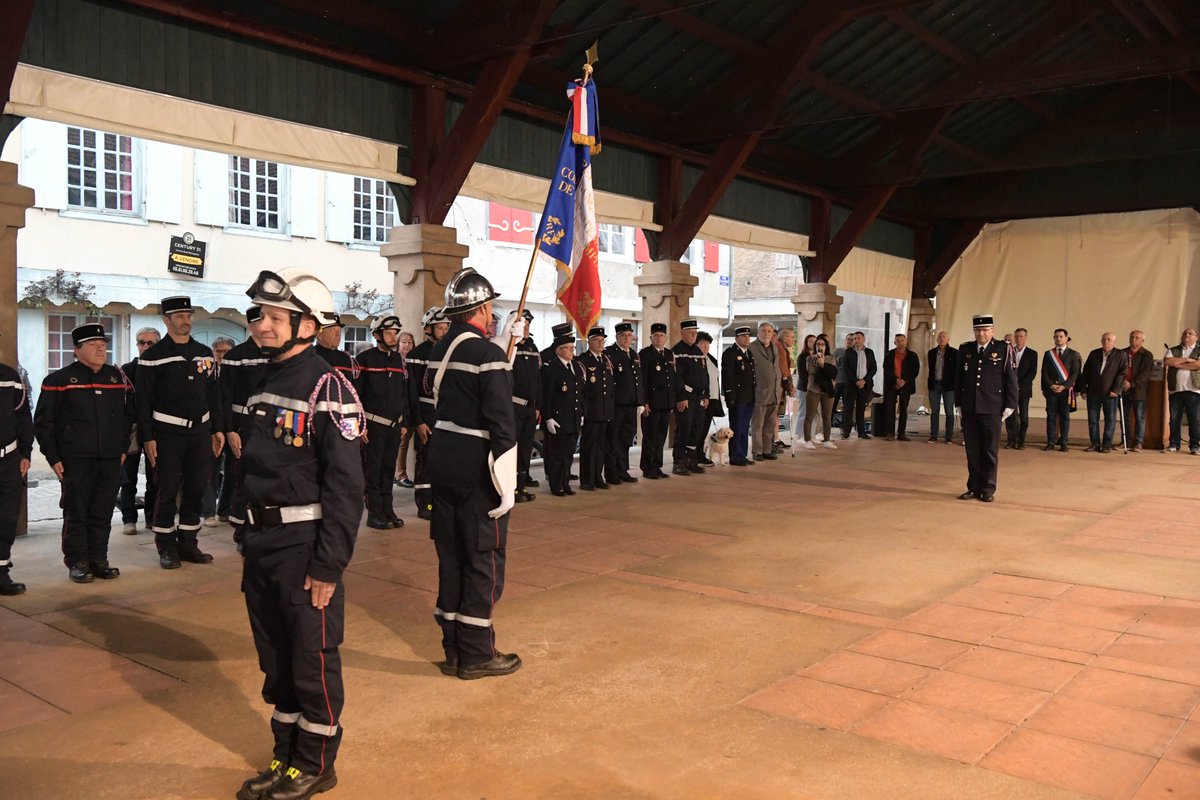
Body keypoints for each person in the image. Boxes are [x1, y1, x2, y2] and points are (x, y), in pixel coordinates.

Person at [235, 268, 365, 800]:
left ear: (307, 325)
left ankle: (315, 763)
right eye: (258, 316)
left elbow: (345, 489)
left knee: (311, 659)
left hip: (302, 547)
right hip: (261, 544)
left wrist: (328, 566)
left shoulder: (328, 386)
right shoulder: (266, 380)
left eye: (272, 317)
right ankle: (285, 757)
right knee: (277, 663)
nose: (260, 326)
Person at [425, 267, 521, 681]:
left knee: (452, 558)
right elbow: (502, 424)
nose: (494, 313)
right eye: (491, 308)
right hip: (478, 470)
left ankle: (453, 650)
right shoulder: (487, 355)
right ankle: (478, 653)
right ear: (481, 309)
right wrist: (507, 485)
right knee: (483, 561)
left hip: (442, 463)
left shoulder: (440, 350)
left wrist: (506, 348)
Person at [34, 323, 133, 583]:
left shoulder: (116, 377)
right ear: (76, 349)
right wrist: (53, 458)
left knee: (102, 511)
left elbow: (127, 417)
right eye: (93, 345)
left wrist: (122, 449)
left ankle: (99, 558)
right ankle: (77, 561)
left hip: (110, 458)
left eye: (103, 345)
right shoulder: (59, 380)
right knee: (76, 512)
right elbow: (44, 423)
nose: (101, 349)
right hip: (75, 459)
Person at [136, 296, 223, 569]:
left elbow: (213, 394)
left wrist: (216, 429)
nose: (186, 320)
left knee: (197, 487)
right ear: (167, 320)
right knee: (167, 489)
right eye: (180, 316)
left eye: (188, 315)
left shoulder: (203, 353)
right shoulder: (152, 357)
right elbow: (143, 401)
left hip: (199, 432)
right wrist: (147, 437)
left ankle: (188, 543)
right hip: (167, 433)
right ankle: (165, 546)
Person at [219, 307, 270, 547]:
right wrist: (229, 430)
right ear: (251, 326)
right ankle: (241, 531)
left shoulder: (278, 353)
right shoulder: (236, 355)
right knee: (244, 480)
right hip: (244, 427)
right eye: (262, 321)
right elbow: (225, 396)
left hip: (271, 426)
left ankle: (263, 528)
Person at [953, 314, 1018, 502]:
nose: (981, 333)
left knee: (989, 451)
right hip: (970, 408)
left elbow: (1010, 378)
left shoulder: (1003, 349)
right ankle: (973, 487)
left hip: (992, 408)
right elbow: (959, 379)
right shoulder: (965, 349)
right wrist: (958, 402)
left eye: (985, 330)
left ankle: (988, 488)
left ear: (992, 331)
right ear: (974, 331)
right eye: (978, 330)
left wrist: (1011, 404)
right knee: (972, 450)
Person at [356, 315, 409, 529]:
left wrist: (405, 420)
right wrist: (361, 424)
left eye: (395, 333)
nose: (393, 336)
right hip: (373, 425)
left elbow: (403, 392)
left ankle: (388, 510)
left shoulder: (398, 360)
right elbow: (357, 394)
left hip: (395, 426)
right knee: (373, 470)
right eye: (389, 333)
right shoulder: (364, 359)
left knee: (388, 469)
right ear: (377, 335)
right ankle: (374, 513)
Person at [406, 307, 449, 519]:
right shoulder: (416, 356)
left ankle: (440, 501)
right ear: (428, 329)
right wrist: (418, 421)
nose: (443, 331)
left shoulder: (451, 353)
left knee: (444, 461)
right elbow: (412, 393)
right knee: (425, 461)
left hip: (446, 415)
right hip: (426, 414)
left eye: (446, 327)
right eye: (439, 328)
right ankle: (425, 504)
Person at [118, 327, 159, 534]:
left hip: (155, 427)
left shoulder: (163, 368)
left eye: (150, 343)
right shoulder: (126, 370)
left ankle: (151, 517)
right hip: (132, 428)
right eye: (141, 342)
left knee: (155, 476)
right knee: (128, 477)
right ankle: (128, 518)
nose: (145, 346)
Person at [0, 356, 32, 594]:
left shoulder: (10, 377)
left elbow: (22, 417)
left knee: (7, 518)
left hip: (8, 459)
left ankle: (1, 573)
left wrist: (25, 452)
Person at [542, 327, 584, 494]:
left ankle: (565, 483)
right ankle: (556, 485)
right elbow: (547, 396)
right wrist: (548, 417)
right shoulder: (551, 368)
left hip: (572, 418)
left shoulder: (576, 367)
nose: (571, 351)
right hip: (558, 419)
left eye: (572, 348)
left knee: (568, 455)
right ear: (558, 350)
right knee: (557, 456)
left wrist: (581, 413)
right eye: (567, 348)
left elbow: (580, 393)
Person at [202, 335, 237, 527]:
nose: (221, 355)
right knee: (210, 471)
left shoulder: (236, 372)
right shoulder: (207, 372)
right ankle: (208, 512)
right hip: (212, 428)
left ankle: (224, 510)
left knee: (232, 470)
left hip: (232, 427)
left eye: (225, 351)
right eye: (218, 351)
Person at [604, 322, 643, 484]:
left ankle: (622, 469)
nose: (627, 338)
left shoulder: (633, 354)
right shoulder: (610, 354)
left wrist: (641, 401)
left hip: (631, 405)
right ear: (617, 337)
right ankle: (612, 472)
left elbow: (639, 380)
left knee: (626, 439)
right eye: (623, 336)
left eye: (629, 335)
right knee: (613, 439)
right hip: (617, 405)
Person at [508, 309, 539, 503]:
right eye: (523, 324)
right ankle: (510, 488)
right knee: (512, 448)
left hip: (530, 408)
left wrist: (538, 405)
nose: (526, 328)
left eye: (528, 325)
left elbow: (538, 378)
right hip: (513, 406)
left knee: (526, 448)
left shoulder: (532, 347)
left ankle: (520, 486)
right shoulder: (509, 348)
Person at [577, 327, 614, 490]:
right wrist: (583, 412)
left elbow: (610, 388)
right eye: (597, 340)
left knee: (601, 447)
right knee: (589, 447)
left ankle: (598, 476)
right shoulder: (583, 361)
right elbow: (582, 390)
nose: (600, 343)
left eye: (602, 340)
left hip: (604, 411)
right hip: (591, 412)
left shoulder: (605, 360)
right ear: (589, 342)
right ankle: (587, 479)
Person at [671, 319, 709, 475]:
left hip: (699, 398)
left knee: (696, 429)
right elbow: (677, 377)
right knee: (683, 430)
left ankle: (691, 460)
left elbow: (704, 375)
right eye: (690, 332)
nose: (693, 335)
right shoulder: (677, 351)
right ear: (682, 333)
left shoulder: (698, 351)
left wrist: (706, 395)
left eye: (695, 332)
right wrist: (681, 397)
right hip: (686, 398)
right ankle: (679, 462)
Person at [639, 323, 676, 479]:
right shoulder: (645, 354)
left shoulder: (668, 354)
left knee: (661, 436)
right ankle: (647, 467)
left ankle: (657, 465)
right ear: (651, 337)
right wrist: (644, 402)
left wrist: (673, 400)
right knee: (650, 437)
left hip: (666, 403)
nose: (659, 338)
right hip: (652, 403)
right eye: (656, 335)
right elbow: (642, 381)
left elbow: (672, 379)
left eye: (662, 335)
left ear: (665, 338)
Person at [1080, 332, 1127, 453]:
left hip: (1110, 393)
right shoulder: (1094, 353)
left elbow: (1122, 374)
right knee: (1093, 419)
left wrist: (1116, 390)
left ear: (1114, 342)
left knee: (1110, 419)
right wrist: (1083, 390)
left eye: (1109, 340)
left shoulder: (1121, 355)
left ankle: (1106, 444)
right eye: (1104, 339)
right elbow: (1085, 372)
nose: (1106, 342)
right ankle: (1094, 443)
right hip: (1093, 392)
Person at [1041, 328, 1082, 452]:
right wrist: (1050, 385)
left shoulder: (1074, 354)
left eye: (1060, 336)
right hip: (1052, 390)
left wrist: (1065, 386)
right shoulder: (1048, 354)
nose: (1058, 339)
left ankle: (1064, 442)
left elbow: (1075, 373)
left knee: (1064, 417)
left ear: (1066, 338)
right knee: (1051, 416)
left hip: (1066, 391)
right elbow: (1044, 372)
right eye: (1056, 337)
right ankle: (1050, 442)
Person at [722, 325, 756, 466]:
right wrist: (730, 396)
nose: (746, 339)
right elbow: (728, 376)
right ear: (736, 338)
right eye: (743, 336)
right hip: (738, 397)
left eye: (748, 336)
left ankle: (742, 454)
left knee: (744, 427)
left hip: (749, 396)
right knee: (736, 427)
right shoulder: (730, 353)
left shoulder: (749, 353)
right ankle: (735, 455)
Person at [1164, 327, 1200, 454]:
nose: (1187, 335)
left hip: (1194, 391)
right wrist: (1187, 360)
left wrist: (1178, 364)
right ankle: (1174, 444)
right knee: (1174, 419)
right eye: (1185, 333)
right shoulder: (1173, 349)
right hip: (1176, 391)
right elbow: (1168, 361)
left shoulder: (1199, 349)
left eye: (1191, 333)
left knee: (1194, 419)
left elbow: (1198, 365)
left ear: (1196, 337)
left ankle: (1194, 446)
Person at [748, 322, 779, 460]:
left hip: (774, 392)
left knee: (770, 424)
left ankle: (767, 450)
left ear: (773, 333)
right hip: (759, 392)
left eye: (769, 331)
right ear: (758, 333)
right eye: (763, 331)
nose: (766, 333)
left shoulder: (775, 347)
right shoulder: (751, 348)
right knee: (757, 424)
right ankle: (757, 451)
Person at [881, 333, 919, 441]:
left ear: (906, 341)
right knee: (890, 409)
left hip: (906, 385)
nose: (900, 343)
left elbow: (915, 371)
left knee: (903, 409)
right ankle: (890, 433)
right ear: (894, 342)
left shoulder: (912, 355)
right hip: (892, 385)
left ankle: (901, 433)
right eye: (898, 341)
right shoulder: (889, 354)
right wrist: (896, 380)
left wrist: (904, 381)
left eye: (902, 340)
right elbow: (886, 369)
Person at [804, 335, 838, 450]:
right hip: (813, 389)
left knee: (827, 416)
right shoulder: (810, 358)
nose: (820, 346)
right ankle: (808, 440)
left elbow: (832, 373)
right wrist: (817, 361)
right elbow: (810, 372)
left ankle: (827, 440)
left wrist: (823, 364)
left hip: (827, 390)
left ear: (826, 346)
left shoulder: (831, 358)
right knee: (810, 415)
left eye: (822, 344)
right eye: (818, 344)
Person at [1121, 330, 1153, 452]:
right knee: (1125, 417)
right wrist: (1123, 382)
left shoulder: (1146, 354)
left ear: (1142, 340)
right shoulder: (1122, 353)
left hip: (1138, 390)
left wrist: (1131, 383)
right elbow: (1118, 370)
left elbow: (1145, 373)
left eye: (1137, 337)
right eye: (1132, 337)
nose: (1134, 339)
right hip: (1123, 389)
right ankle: (1125, 441)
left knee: (1139, 417)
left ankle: (1138, 442)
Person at [1005, 328, 1038, 450]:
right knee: (1009, 415)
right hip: (1009, 389)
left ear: (1026, 338)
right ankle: (1011, 440)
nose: (1019, 339)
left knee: (1023, 416)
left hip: (1024, 389)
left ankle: (1021, 440)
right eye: (1017, 336)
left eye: (1021, 336)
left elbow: (1032, 373)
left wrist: (1018, 384)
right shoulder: (1008, 351)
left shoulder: (1032, 353)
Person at [842, 331, 877, 440]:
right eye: (854, 339)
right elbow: (846, 369)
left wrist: (864, 380)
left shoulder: (869, 352)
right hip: (851, 384)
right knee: (848, 408)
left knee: (861, 408)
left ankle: (861, 432)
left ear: (863, 339)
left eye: (858, 338)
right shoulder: (848, 352)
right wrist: (856, 381)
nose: (856, 340)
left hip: (865, 384)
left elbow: (873, 368)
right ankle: (846, 431)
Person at [696, 331, 723, 465]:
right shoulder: (695, 359)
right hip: (701, 398)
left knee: (705, 427)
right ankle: (694, 454)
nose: (705, 346)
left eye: (707, 344)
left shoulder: (711, 359)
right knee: (698, 427)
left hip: (713, 398)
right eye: (702, 343)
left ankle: (700, 453)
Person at [927, 330, 958, 444]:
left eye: (944, 337)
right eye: (940, 337)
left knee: (949, 411)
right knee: (934, 411)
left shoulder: (955, 352)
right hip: (935, 384)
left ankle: (948, 436)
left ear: (948, 339)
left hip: (949, 386)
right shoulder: (932, 352)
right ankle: (933, 435)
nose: (941, 339)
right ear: (937, 339)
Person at [394, 330, 416, 487]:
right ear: (398, 344)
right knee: (402, 441)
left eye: (410, 342)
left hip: (412, 406)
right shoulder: (395, 361)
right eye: (404, 342)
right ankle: (400, 474)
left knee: (406, 441)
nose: (407, 345)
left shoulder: (414, 361)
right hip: (398, 407)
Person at [777, 328, 798, 450]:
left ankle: (774, 439)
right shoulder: (779, 348)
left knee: (777, 415)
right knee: (774, 415)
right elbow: (784, 370)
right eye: (791, 337)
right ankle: (772, 441)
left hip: (781, 386)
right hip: (778, 387)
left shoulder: (784, 349)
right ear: (784, 337)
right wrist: (790, 387)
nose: (793, 340)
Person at [791, 332, 812, 445]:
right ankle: (799, 434)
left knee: (812, 413)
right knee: (802, 411)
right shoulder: (802, 356)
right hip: (804, 387)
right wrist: (811, 383)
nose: (812, 343)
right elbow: (802, 374)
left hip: (815, 389)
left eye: (814, 341)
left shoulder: (818, 355)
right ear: (806, 343)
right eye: (810, 341)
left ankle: (810, 434)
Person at [833, 332, 853, 429]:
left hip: (849, 382)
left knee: (847, 406)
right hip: (838, 381)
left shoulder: (854, 353)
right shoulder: (838, 351)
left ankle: (845, 428)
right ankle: (827, 427)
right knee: (833, 404)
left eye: (851, 340)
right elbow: (832, 365)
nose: (849, 341)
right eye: (848, 339)